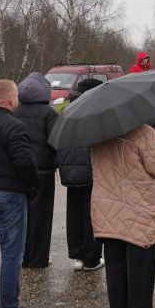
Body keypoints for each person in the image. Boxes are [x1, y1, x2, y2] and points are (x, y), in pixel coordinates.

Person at [92, 122, 155, 308]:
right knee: (140, 283)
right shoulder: (142, 132)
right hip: (138, 214)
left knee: (116, 277)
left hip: (109, 215)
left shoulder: (98, 134)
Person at [0, 79, 43, 308]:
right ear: (11, 100)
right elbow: (24, 161)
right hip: (9, 195)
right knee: (12, 254)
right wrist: (33, 185)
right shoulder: (14, 126)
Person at [56, 78, 104, 272]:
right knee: (92, 215)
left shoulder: (67, 112)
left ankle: (77, 255)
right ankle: (91, 258)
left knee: (74, 214)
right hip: (91, 171)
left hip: (70, 171)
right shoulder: (94, 113)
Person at [14, 73, 57, 269]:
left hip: (19, 170)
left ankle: (23, 257)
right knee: (42, 215)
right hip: (44, 170)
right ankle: (39, 258)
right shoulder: (49, 113)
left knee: (21, 214)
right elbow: (55, 142)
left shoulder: (14, 110)